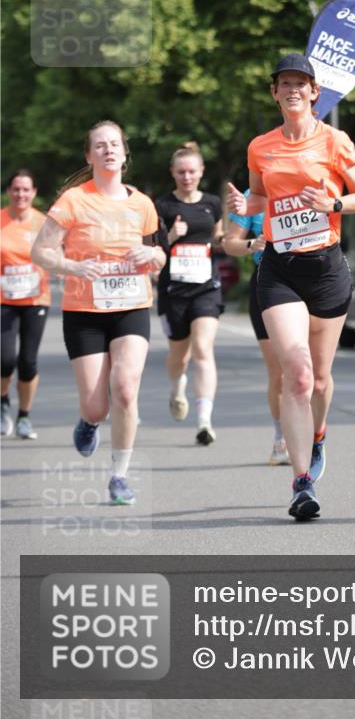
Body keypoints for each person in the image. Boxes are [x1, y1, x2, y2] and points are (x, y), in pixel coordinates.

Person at [227, 53, 355, 521]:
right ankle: (301, 482)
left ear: (314, 92)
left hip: (327, 268)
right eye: (284, 83)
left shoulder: (335, 141)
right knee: (298, 371)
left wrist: (332, 201)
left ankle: (318, 432)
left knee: (322, 380)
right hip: (279, 268)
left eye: (301, 83)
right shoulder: (260, 147)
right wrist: (239, 204)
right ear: (274, 92)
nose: (292, 90)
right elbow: (258, 196)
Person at [31, 121, 165, 505]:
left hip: (131, 307)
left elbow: (158, 253)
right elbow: (41, 251)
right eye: (99, 146)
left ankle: (119, 475)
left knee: (125, 387)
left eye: (115, 144)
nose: (108, 150)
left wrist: (151, 255)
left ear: (125, 153)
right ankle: (89, 422)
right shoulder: (73, 200)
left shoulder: (142, 204)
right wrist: (71, 267)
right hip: (84, 310)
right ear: (89, 156)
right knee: (97, 404)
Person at [156, 143, 224, 445]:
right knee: (178, 355)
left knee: (202, 348)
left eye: (192, 171)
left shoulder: (212, 204)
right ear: (173, 173)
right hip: (174, 291)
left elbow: (220, 238)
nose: (187, 177)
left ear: (201, 172)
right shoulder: (162, 206)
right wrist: (172, 235)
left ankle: (204, 420)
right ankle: (177, 387)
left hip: (206, 288)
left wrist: (236, 236)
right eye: (181, 172)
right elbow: (154, 250)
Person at [225, 191, 290, 466]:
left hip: (310, 281)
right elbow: (230, 243)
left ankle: (313, 434)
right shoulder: (251, 197)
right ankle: (282, 439)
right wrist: (253, 244)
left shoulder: (308, 181)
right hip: (267, 285)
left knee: (309, 372)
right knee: (279, 371)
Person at [1, 170, 51, 440]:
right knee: (5, 359)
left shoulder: (44, 224)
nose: (21, 194)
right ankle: (2, 404)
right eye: (16, 189)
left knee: (28, 361)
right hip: (3, 300)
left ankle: (24, 417)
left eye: (26, 190)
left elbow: (58, 255)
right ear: (9, 191)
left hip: (35, 299)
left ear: (34, 193)